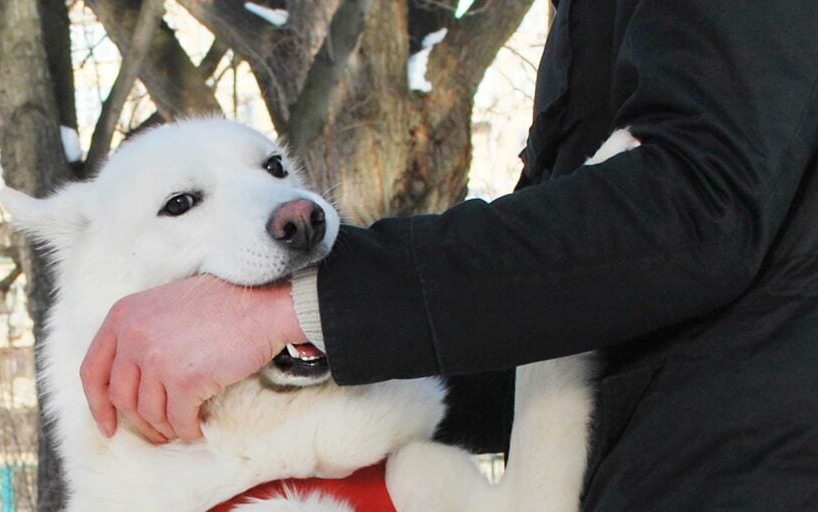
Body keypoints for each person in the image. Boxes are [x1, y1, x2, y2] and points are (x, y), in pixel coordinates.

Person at [79, 1, 818, 509]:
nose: (283, 215)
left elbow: (704, 199)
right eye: (182, 205)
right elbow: (570, 292)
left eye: (274, 172)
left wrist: (295, 310)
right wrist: (336, 346)